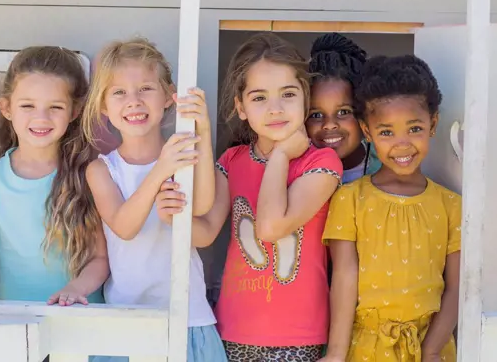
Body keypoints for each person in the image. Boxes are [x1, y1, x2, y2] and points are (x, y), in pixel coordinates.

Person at [157, 33, 342, 361]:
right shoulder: (232, 161)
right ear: (241, 107)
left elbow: (271, 227)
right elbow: (205, 232)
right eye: (259, 98)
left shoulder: (322, 163)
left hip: (298, 336)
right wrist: (174, 215)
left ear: (305, 98)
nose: (275, 108)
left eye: (288, 94)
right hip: (233, 330)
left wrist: (282, 155)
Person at [84, 37, 226, 362]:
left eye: (146, 88)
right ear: (104, 106)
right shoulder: (102, 169)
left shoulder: (184, 153)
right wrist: (161, 170)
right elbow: (124, 226)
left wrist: (201, 128)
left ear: (168, 97)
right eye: (119, 92)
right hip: (127, 319)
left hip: (187, 317)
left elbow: (203, 205)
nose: (133, 101)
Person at [321, 55, 460, 362]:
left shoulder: (451, 205)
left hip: (430, 348)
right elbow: (344, 278)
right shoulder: (349, 199)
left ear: (433, 124)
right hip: (366, 349)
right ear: (367, 131)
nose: (402, 144)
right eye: (386, 132)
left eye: (414, 129)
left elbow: (458, 287)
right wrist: (335, 354)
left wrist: (433, 350)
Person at [0, 46, 108, 307]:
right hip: (16, 320)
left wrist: (75, 288)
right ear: (6, 108)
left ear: (74, 111)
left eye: (55, 107)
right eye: (28, 105)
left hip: (80, 320)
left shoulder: (89, 174)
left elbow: (99, 259)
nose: (41, 117)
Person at [306, 33, 381, 183]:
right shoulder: (293, 170)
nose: (329, 125)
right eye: (316, 115)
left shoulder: (386, 166)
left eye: (343, 112)